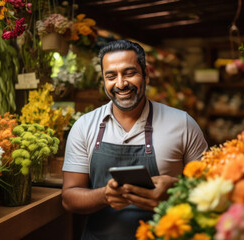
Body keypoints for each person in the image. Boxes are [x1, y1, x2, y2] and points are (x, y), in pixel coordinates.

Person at [62, 40, 208, 240]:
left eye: (129, 73)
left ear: (146, 74)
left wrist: (174, 191)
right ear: (103, 80)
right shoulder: (84, 126)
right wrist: (105, 195)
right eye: (111, 76)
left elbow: (208, 191)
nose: (121, 84)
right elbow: (69, 198)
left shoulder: (182, 123)